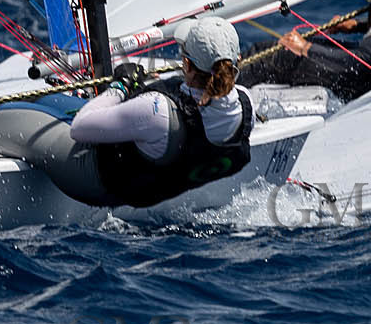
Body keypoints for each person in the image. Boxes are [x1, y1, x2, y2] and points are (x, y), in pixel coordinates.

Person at [35, 15, 253, 208]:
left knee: (33, 104)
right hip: (151, 191)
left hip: (93, 181)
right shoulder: (245, 105)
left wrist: (120, 86)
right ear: (237, 62)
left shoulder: (156, 109)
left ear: (186, 64)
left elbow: (79, 127)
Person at [239, 12, 371, 104]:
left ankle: (227, 84)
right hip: (360, 62)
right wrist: (357, 24)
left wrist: (305, 47)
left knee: (279, 57)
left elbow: (360, 61)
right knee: (270, 49)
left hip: (356, 76)